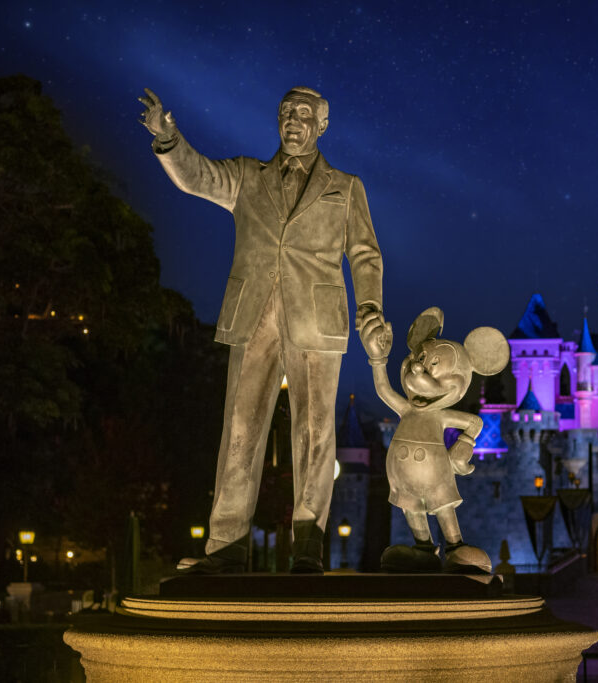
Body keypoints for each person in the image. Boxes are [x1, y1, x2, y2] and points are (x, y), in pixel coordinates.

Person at [139, 86, 384, 573]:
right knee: (240, 429)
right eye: (286, 112)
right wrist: (168, 139)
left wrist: (371, 308)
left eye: (304, 114)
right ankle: (226, 545)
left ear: (322, 126)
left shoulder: (346, 186)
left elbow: (364, 253)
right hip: (254, 315)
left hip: (316, 319)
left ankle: (309, 546)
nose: (293, 120)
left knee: (315, 433)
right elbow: (198, 177)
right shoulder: (249, 177)